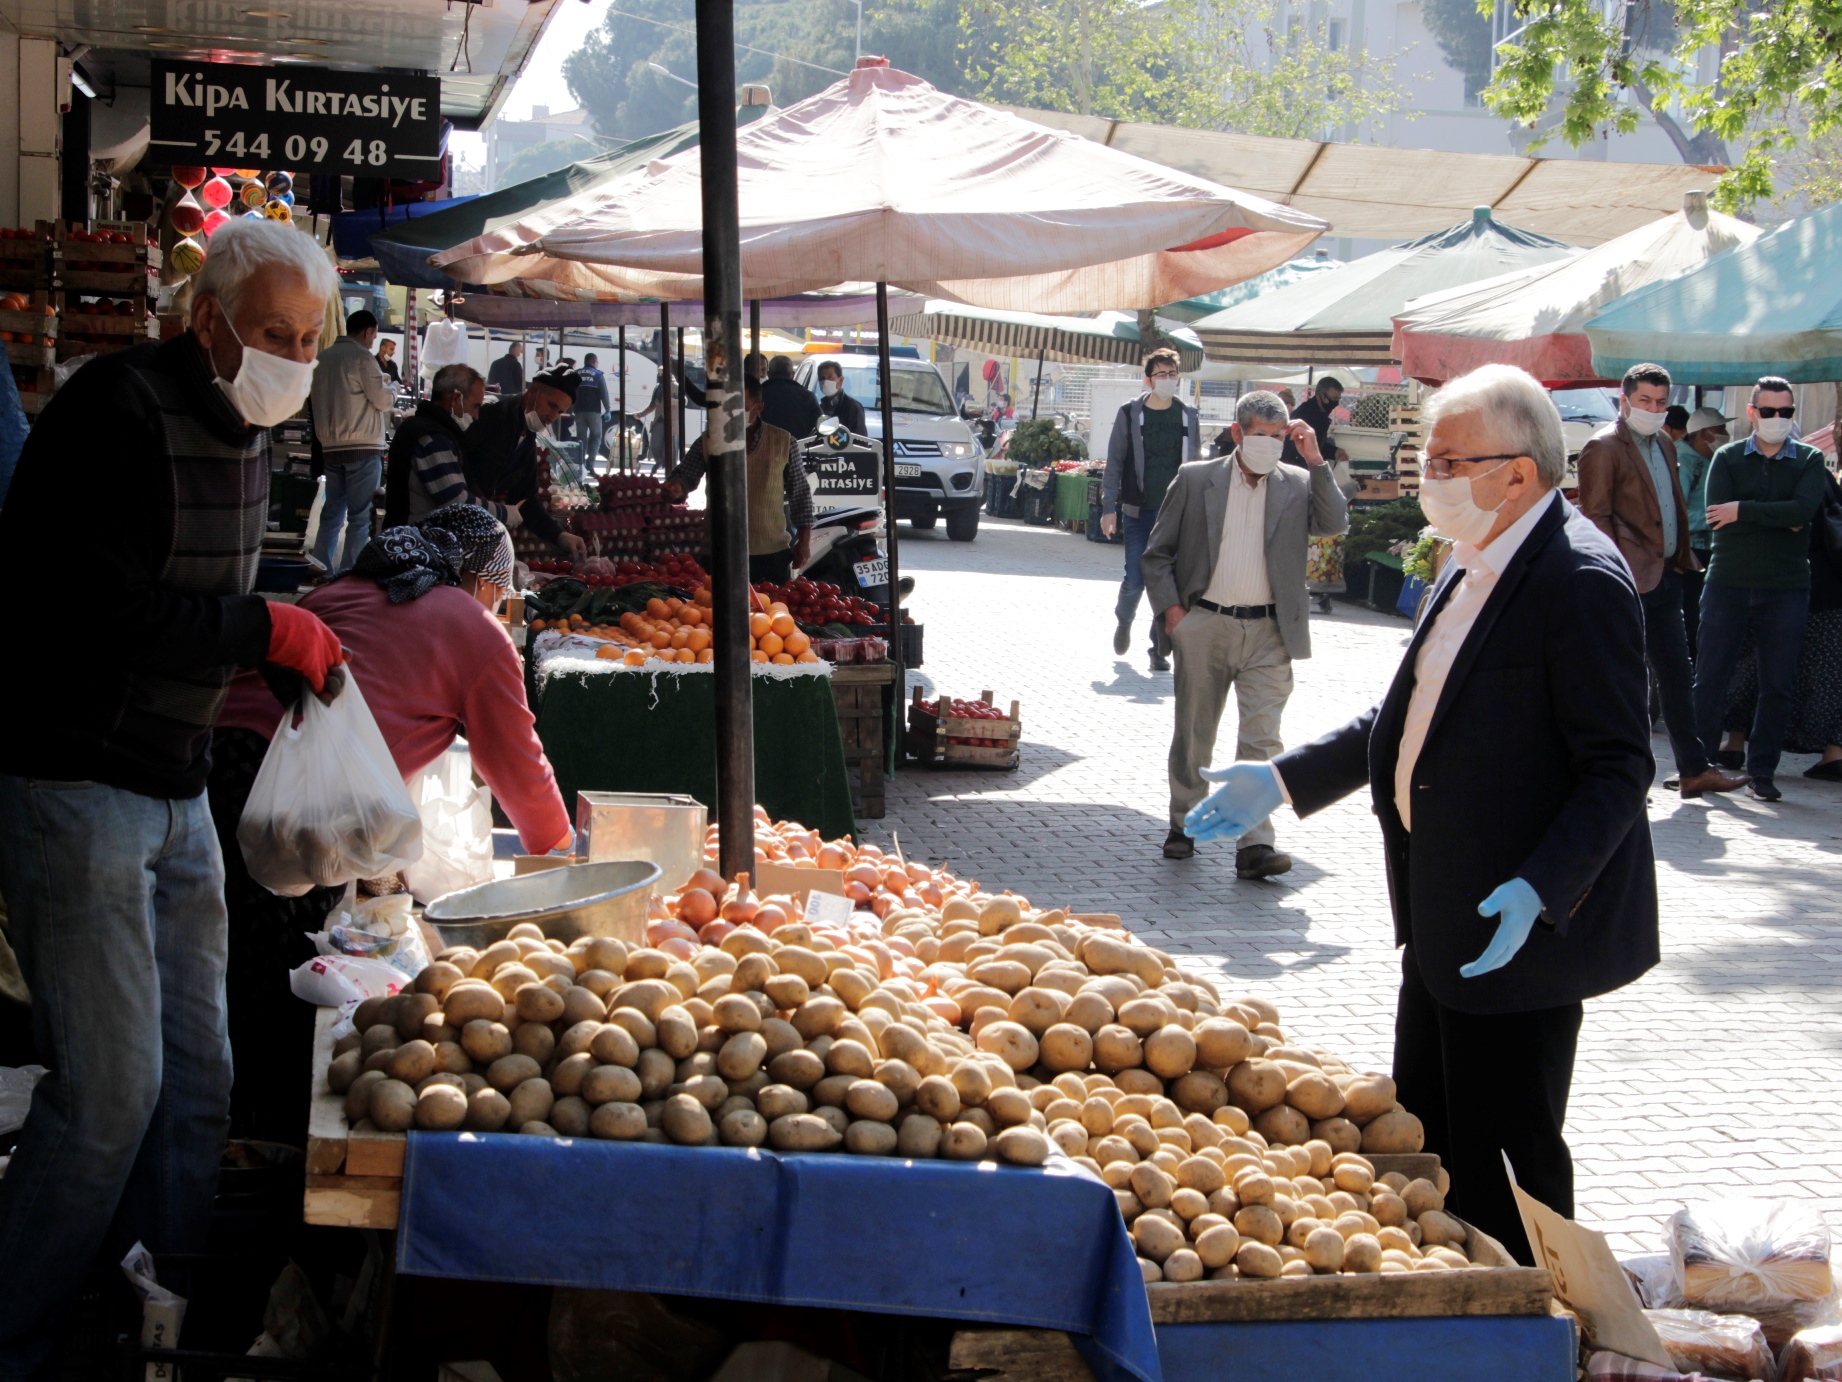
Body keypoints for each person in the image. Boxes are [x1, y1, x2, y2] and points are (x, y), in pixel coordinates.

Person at [1183, 364, 1657, 1264]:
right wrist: (1281, 780)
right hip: (1441, 916)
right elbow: (1406, 719)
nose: (1425, 477)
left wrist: (1540, 888)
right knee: (1431, 1139)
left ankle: (1539, 1315)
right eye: (1425, 458)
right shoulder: (1470, 561)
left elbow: (1617, 767)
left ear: (1515, 472)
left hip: (1515, 932)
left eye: (1445, 460)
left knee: (1512, 1163)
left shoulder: (1579, 578)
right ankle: (1448, 1302)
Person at [0, 218, 346, 1371]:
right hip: (78, 781)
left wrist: (277, 642)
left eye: (308, 338)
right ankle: (19, 1330)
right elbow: (90, 612)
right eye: (272, 334)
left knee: (199, 1077)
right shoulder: (115, 411)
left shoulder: (246, 429)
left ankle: (161, 1317)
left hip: (175, 782)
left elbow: (204, 602)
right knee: (109, 1092)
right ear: (207, 319)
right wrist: (259, 628)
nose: (293, 357)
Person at [213, 504, 573, 1142]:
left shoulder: (349, 588)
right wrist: (564, 860)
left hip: (220, 762)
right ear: (484, 581)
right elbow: (519, 765)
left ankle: (236, 1119)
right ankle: (265, 1139)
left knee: (228, 954)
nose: (500, 607)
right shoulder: (473, 629)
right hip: (289, 796)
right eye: (501, 593)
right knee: (281, 968)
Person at [1142, 388, 1347, 877]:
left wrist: (1316, 459)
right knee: (1195, 734)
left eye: (1279, 437)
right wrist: (1174, 615)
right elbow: (1157, 553)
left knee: (1263, 739)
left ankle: (1254, 844)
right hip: (1205, 622)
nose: (1271, 445)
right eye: (1261, 436)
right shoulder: (1196, 480)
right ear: (1237, 433)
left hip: (1271, 631)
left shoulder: (1297, 483)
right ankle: (1184, 824)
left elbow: (1335, 522)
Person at [1576, 364, 1746, 799]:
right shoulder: (1604, 446)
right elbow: (1596, 517)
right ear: (1625, 399)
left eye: (1660, 403)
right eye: (1645, 401)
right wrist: (1617, 574)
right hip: (1629, 579)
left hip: (1668, 572)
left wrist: (1679, 558)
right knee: (1623, 680)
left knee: (1675, 674)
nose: (1652, 409)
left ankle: (1693, 769)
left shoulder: (1665, 447)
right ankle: (1619, 772)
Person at [1693, 376, 1831, 800]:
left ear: (1793, 415)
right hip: (1728, 581)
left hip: (1786, 587)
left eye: (1785, 412)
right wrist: (1776, 518)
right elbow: (1716, 516)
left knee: (1778, 683)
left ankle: (1762, 772)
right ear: (1752, 413)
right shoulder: (1728, 457)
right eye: (1768, 411)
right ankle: (1695, 766)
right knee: (1710, 676)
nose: (1777, 419)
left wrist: (1744, 511)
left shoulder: (1808, 460)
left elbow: (1805, 511)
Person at [1720, 465, 1842, 783]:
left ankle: (1735, 742)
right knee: (1825, 675)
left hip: (1781, 584)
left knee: (1753, 666)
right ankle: (1834, 753)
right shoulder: (1821, 475)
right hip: (1829, 588)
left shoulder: (1768, 474)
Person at [1101, 350, 1203, 672]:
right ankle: (1124, 620)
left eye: (1172, 374)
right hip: (1138, 511)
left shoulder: (1187, 415)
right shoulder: (1131, 414)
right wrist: (1108, 508)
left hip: (1175, 514)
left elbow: (1196, 465)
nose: (1168, 380)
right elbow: (1115, 462)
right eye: (1161, 374)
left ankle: (1159, 647)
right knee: (1135, 579)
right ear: (1148, 379)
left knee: (1169, 583)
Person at [666, 376, 813, 583]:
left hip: (769, 552)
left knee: (771, 612)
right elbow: (686, 475)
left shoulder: (783, 441)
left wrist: (804, 541)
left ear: (758, 407)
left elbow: (800, 495)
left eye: (740, 405)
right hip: (719, 551)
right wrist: (677, 487)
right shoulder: (709, 440)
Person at [462, 367, 589, 565]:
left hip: (477, 522)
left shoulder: (527, 439)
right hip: (457, 520)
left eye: (560, 411)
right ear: (532, 393)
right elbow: (462, 471)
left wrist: (560, 536)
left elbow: (526, 499)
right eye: (551, 405)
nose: (553, 416)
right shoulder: (492, 414)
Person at [309, 308, 395, 574]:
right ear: (367, 332)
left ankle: (321, 568)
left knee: (332, 512)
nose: (373, 341)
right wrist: (393, 388)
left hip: (331, 448)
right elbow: (381, 400)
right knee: (359, 517)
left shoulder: (321, 358)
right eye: (374, 336)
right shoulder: (362, 358)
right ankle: (351, 575)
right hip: (362, 448)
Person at [385, 363, 520, 529]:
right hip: (415, 542)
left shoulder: (422, 427)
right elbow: (457, 503)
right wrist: (504, 513)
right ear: (456, 399)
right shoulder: (432, 438)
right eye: (476, 406)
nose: (477, 416)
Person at [1675, 406, 1732, 656]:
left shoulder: (1711, 460)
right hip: (1693, 553)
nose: (1726, 435)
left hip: (1711, 550)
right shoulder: (1683, 462)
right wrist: (1715, 519)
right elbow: (1677, 513)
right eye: (1721, 430)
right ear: (1704, 434)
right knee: (1693, 616)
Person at [763, 354, 820, 439]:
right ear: (793, 374)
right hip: (798, 449)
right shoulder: (807, 396)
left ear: (768, 374)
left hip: (762, 449)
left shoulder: (758, 394)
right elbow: (820, 425)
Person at [574, 352, 613, 466]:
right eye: (597, 362)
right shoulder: (598, 375)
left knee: (581, 439)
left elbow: (571, 391)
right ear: (594, 362)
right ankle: (590, 464)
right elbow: (604, 394)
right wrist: (608, 410)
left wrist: (571, 408)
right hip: (594, 412)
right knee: (596, 437)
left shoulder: (576, 374)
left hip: (579, 411)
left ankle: (580, 464)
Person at [816, 359, 867, 436]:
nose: (826, 382)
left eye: (830, 378)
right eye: (822, 379)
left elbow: (860, 440)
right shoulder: (820, 407)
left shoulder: (852, 407)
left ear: (840, 380)